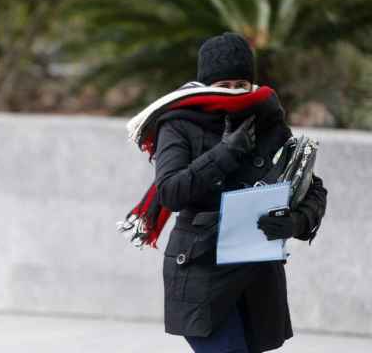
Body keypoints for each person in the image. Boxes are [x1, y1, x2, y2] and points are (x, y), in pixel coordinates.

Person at [123, 32, 327, 352]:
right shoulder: (178, 124)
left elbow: (311, 186)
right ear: (207, 84)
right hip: (202, 270)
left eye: (240, 85)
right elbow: (170, 192)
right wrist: (225, 153)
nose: (233, 93)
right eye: (224, 86)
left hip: (256, 273)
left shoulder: (268, 121)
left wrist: (296, 222)